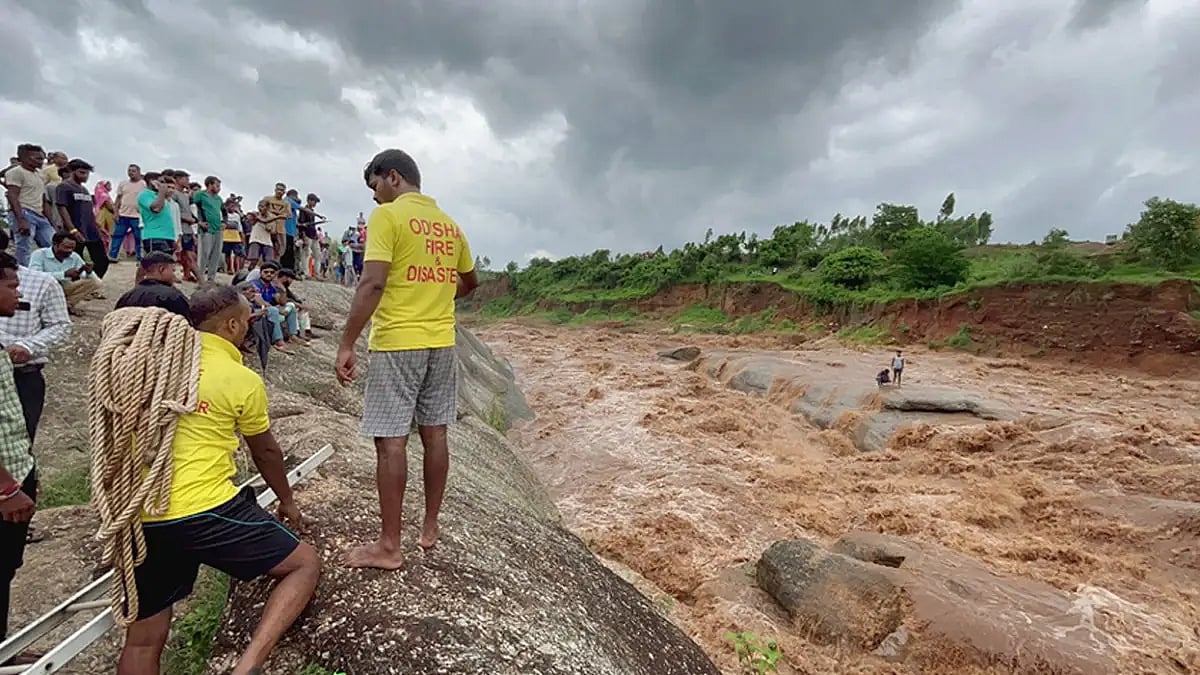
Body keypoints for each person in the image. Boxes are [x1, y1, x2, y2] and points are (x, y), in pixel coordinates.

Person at [116, 284, 319, 675]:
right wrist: (288, 502)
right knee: (304, 565)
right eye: (246, 321)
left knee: (142, 640)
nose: (248, 327)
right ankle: (248, 666)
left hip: (146, 517)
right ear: (230, 326)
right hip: (205, 510)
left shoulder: (147, 368)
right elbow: (265, 452)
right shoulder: (237, 377)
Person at [336, 149, 479, 570]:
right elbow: (470, 282)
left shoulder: (390, 217)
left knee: (391, 442)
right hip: (440, 341)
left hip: (398, 341)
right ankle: (429, 527)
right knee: (435, 435)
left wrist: (346, 343)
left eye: (375, 187)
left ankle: (389, 546)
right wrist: (436, 296)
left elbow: (373, 283)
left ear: (392, 178)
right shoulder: (448, 225)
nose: (375, 198)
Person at [0, 229, 71, 444]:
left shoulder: (42, 283)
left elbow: (60, 326)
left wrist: (27, 347)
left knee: (19, 445)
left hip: (22, 376)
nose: (18, 293)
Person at [0, 250, 37, 644]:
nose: (18, 292)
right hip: (4, 485)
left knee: (6, 567)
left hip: (15, 467)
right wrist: (7, 488)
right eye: (11, 285)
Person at [54, 159, 109, 279]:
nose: (85, 176)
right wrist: (73, 230)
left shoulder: (84, 189)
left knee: (102, 260)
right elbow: (62, 209)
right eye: (82, 173)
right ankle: (76, 286)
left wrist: (99, 228)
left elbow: (89, 212)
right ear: (72, 171)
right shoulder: (64, 187)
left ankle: (91, 286)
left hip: (91, 231)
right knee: (74, 262)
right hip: (74, 232)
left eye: (87, 173)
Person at [4, 145, 54, 267]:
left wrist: (51, 220)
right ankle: (22, 277)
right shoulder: (16, 172)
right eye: (37, 158)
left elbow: (43, 199)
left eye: (42, 159)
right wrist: (21, 219)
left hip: (39, 214)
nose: (41, 161)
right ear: (25, 158)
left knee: (52, 245)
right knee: (24, 248)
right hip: (24, 212)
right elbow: (13, 196)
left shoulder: (40, 175)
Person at [28, 234, 102, 311]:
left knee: (95, 282)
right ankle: (54, 305)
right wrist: (63, 274)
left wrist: (88, 272)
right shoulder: (39, 254)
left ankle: (67, 304)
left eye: (72, 248)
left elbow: (91, 278)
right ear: (55, 244)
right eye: (66, 247)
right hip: (44, 288)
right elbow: (35, 276)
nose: (69, 250)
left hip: (64, 287)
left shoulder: (74, 256)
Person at [114, 253, 189, 321]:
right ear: (161, 269)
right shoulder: (173, 297)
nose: (174, 276)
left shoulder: (126, 297)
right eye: (173, 271)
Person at [251, 263, 299, 351]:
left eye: (272, 272)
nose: (269, 274)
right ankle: (279, 342)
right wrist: (279, 310)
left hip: (267, 310)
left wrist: (283, 290)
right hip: (255, 310)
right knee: (273, 310)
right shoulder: (254, 284)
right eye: (266, 272)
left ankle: (293, 335)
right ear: (261, 273)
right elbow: (259, 301)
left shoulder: (271, 287)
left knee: (291, 306)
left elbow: (282, 302)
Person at [168, 171, 199, 283]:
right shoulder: (174, 194)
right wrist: (187, 219)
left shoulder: (185, 195)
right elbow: (172, 210)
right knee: (185, 254)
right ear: (178, 179)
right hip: (179, 227)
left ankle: (187, 274)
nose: (188, 182)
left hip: (187, 228)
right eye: (186, 179)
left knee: (189, 254)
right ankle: (201, 281)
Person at [138, 172, 179, 256]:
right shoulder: (145, 195)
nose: (164, 185)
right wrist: (161, 192)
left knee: (166, 265)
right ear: (152, 182)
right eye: (161, 182)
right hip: (155, 236)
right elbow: (156, 208)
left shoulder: (160, 196)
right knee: (157, 265)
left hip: (168, 236)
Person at [192, 176, 225, 282]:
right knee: (204, 254)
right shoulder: (200, 195)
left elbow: (224, 212)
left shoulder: (218, 199)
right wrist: (198, 221)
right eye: (217, 185)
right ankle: (200, 278)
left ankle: (211, 278)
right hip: (206, 229)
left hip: (218, 229)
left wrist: (224, 222)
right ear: (210, 185)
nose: (219, 188)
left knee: (216, 255)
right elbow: (191, 207)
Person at [110, 164, 145, 262]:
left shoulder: (143, 184)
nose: (131, 173)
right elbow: (118, 199)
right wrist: (115, 212)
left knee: (138, 238)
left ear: (138, 172)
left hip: (137, 216)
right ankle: (112, 256)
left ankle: (139, 258)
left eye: (133, 171)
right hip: (123, 215)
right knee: (117, 236)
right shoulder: (123, 184)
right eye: (129, 171)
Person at [246, 199, 284, 269]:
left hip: (267, 241)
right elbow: (250, 219)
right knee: (254, 259)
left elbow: (272, 230)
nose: (260, 208)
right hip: (255, 239)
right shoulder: (255, 214)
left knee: (269, 262)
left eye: (262, 207)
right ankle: (249, 274)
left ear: (267, 208)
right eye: (259, 206)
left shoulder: (272, 217)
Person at [277, 269, 314, 340]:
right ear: (285, 277)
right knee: (293, 307)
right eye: (291, 279)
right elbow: (281, 300)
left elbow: (293, 297)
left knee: (303, 310)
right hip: (279, 307)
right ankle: (296, 332)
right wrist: (295, 303)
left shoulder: (285, 287)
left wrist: (300, 303)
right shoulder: (276, 286)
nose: (291, 281)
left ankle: (306, 330)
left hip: (285, 306)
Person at [296, 193, 324, 280]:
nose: (315, 203)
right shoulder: (304, 210)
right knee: (306, 254)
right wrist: (303, 236)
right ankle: (306, 273)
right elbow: (302, 225)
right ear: (309, 200)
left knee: (318, 255)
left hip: (313, 235)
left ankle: (317, 273)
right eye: (314, 201)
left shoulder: (312, 212)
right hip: (307, 234)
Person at [280, 189, 301, 272]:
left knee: (288, 251)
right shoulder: (288, 201)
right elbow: (303, 208)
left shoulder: (291, 206)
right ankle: (286, 269)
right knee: (287, 251)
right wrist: (317, 215)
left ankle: (287, 269)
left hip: (290, 231)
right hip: (287, 231)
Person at [222, 197, 245, 274]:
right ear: (226, 206)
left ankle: (237, 269)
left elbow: (239, 227)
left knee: (237, 254)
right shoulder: (223, 214)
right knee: (227, 254)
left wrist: (242, 237)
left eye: (233, 206)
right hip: (226, 236)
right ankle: (229, 268)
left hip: (235, 237)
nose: (232, 208)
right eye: (230, 206)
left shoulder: (237, 216)